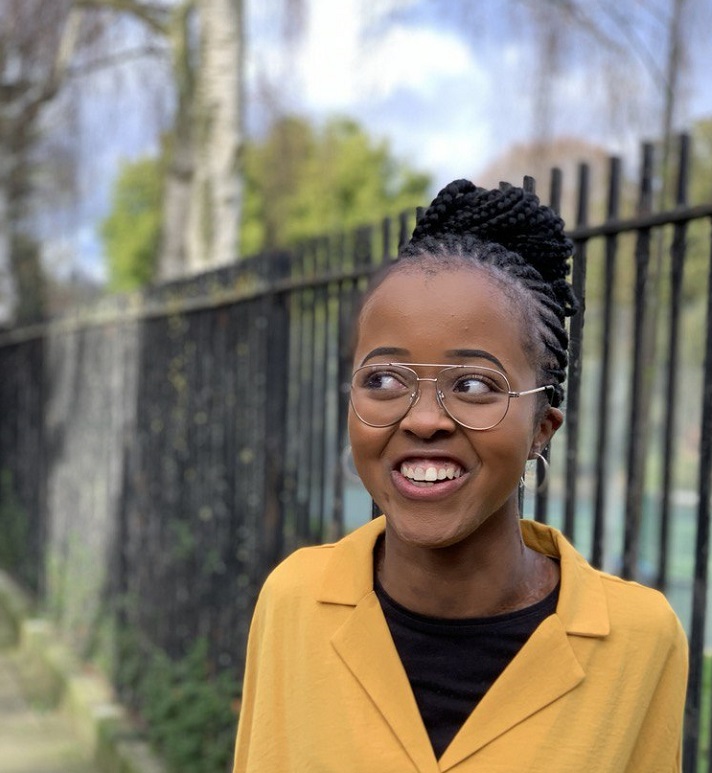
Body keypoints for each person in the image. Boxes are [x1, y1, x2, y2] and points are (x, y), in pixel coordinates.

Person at [233, 179, 688, 772]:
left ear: (541, 427)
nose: (423, 420)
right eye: (384, 380)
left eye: (474, 386)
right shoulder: (293, 600)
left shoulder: (640, 641)